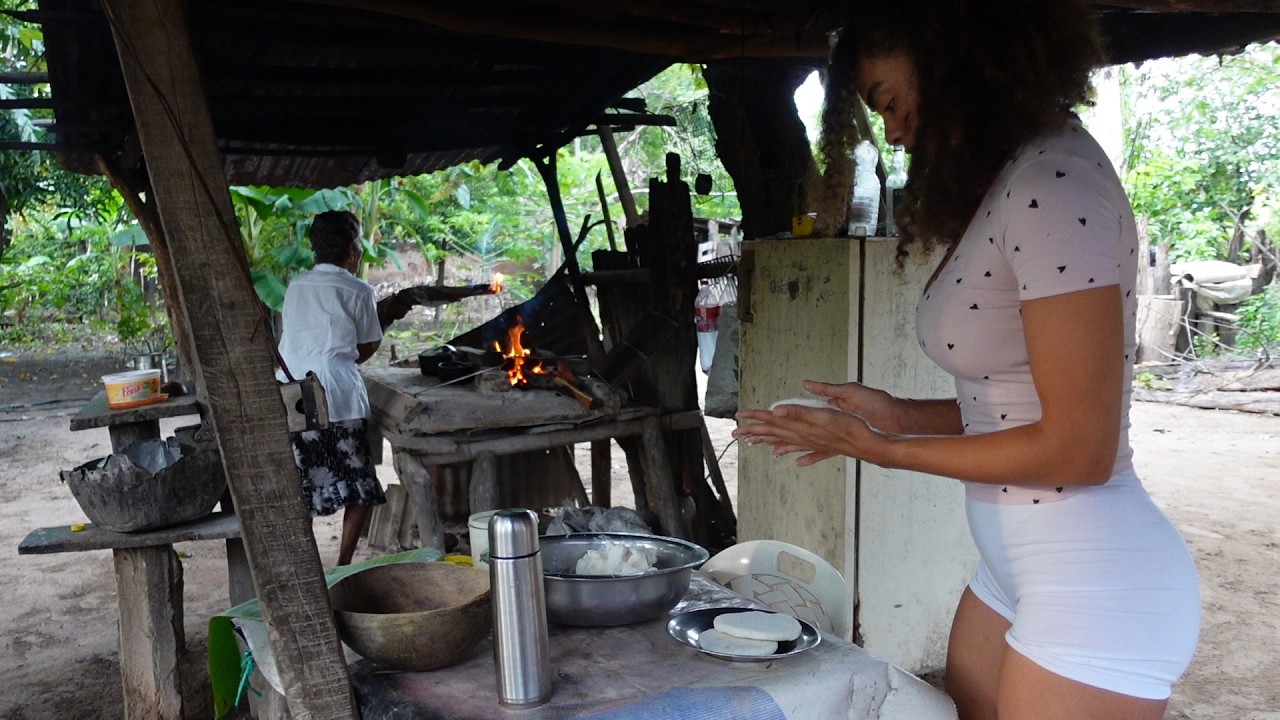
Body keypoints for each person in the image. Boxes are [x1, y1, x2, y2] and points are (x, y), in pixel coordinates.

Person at [733, 2, 1201, 719]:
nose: (891, 131)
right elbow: (1022, 405)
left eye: (890, 102)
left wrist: (884, 450)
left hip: (1095, 580)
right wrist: (899, 413)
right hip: (1018, 567)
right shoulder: (1020, 175)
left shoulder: (1054, 185)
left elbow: (1078, 447)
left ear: (955, 61)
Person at [278, 210, 395, 566]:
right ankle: (342, 563)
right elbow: (366, 348)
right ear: (352, 250)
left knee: (303, 483)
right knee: (359, 483)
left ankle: (307, 561)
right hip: (337, 396)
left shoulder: (297, 284)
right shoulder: (358, 289)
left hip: (294, 394)